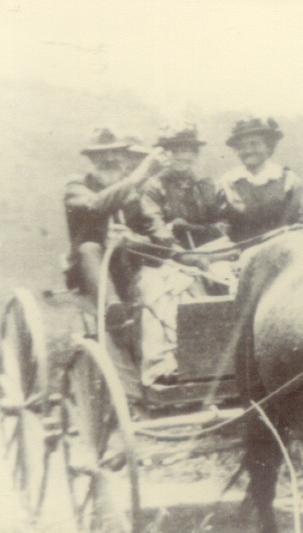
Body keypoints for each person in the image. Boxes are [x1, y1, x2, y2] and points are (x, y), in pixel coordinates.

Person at [133, 123, 226, 386]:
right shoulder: (153, 187)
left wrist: (191, 229)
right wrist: (180, 254)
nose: (183, 156)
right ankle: (165, 365)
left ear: (196, 155)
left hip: (208, 254)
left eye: (189, 151)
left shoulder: (207, 186)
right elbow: (155, 227)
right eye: (176, 151)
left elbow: (222, 225)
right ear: (165, 154)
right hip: (165, 258)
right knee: (165, 292)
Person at [63, 128, 167, 316]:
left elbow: (152, 233)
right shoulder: (76, 186)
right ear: (90, 158)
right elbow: (95, 205)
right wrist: (137, 178)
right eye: (101, 154)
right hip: (89, 271)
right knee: (89, 248)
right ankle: (112, 310)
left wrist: (133, 239)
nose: (110, 159)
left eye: (116, 153)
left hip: (130, 264)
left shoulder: (136, 189)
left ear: (124, 156)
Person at [216, 117, 303, 243]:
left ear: (268, 147)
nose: (248, 151)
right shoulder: (228, 182)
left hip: (284, 248)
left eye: (255, 144)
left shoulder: (288, 179)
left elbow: (301, 218)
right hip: (240, 251)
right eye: (241, 147)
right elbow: (221, 223)